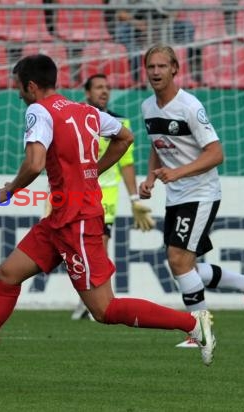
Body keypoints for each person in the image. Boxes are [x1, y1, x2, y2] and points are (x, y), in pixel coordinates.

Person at [0, 54, 216, 375]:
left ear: (32, 86)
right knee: (9, 273)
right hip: (60, 219)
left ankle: (192, 323)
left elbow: (36, 162)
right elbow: (125, 137)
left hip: (78, 220)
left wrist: (11, 189)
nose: (18, 94)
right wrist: (93, 170)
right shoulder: (84, 110)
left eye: (19, 88)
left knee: (104, 309)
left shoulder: (38, 110)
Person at [139, 44, 244, 347]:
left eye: (162, 66)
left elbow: (216, 153)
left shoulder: (189, 106)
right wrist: (150, 178)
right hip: (176, 195)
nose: (156, 72)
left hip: (201, 192)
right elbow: (157, 144)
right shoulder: (148, 107)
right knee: (184, 264)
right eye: (151, 67)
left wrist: (178, 173)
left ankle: (201, 331)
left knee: (178, 260)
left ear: (175, 69)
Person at [71, 73, 156, 320]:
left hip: (104, 198)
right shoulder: (78, 119)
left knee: (99, 245)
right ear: (87, 92)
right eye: (98, 87)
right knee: (76, 247)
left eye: (107, 87)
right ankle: (88, 299)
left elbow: (126, 164)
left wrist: (133, 199)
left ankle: (93, 301)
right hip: (76, 193)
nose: (104, 91)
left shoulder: (120, 123)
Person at [109, 0, 194, 83]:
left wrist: (159, 28)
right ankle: (136, 76)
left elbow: (175, 13)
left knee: (187, 27)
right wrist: (137, 23)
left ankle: (187, 72)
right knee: (122, 30)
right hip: (136, 26)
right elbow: (120, 13)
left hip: (165, 25)